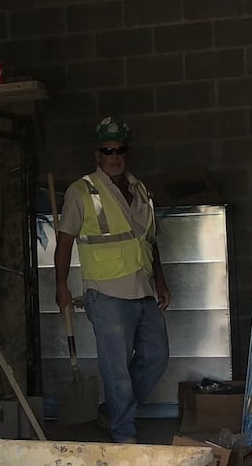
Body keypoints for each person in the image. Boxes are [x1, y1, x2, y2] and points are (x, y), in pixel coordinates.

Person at [53, 116, 171, 444]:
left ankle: (114, 410)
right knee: (116, 369)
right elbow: (64, 241)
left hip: (143, 287)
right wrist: (61, 285)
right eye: (108, 150)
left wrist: (160, 280)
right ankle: (124, 432)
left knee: (157, 357)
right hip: (106, 291)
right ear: (98, 154)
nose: (114, 156)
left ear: (126, 153)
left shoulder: (139, 188)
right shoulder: (82, 191)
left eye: (119, 150)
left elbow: (149, 239)